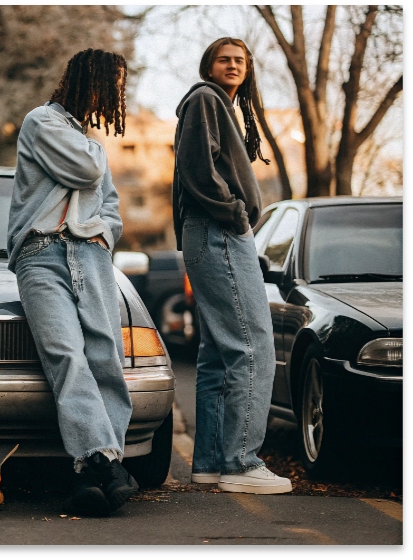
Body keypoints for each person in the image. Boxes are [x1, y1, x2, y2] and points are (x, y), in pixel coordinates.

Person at [6, 48, 137, 517]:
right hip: (41, 254)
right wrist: (97, 154)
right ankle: (106, 461)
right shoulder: (41, 122)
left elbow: (111, 207)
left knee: (105, 353)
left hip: (89, 254)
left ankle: (93, 469)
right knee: (66, 355)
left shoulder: (84, 138)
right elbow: (86, 171)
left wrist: (102, 235)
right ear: (88, 81)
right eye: (111, 83)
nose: (116, 94)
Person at [172, 37, 292, 494]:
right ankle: (241, 464)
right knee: (252, 345)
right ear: (209, 65)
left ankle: (209, 464)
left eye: (240, 60)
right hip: (218, 229)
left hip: (209, 231)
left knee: (219, 354)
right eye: (224, 58)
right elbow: (197, 169)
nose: (233, 65)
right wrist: (236, 215)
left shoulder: (224, 106)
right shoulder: (205, 98)